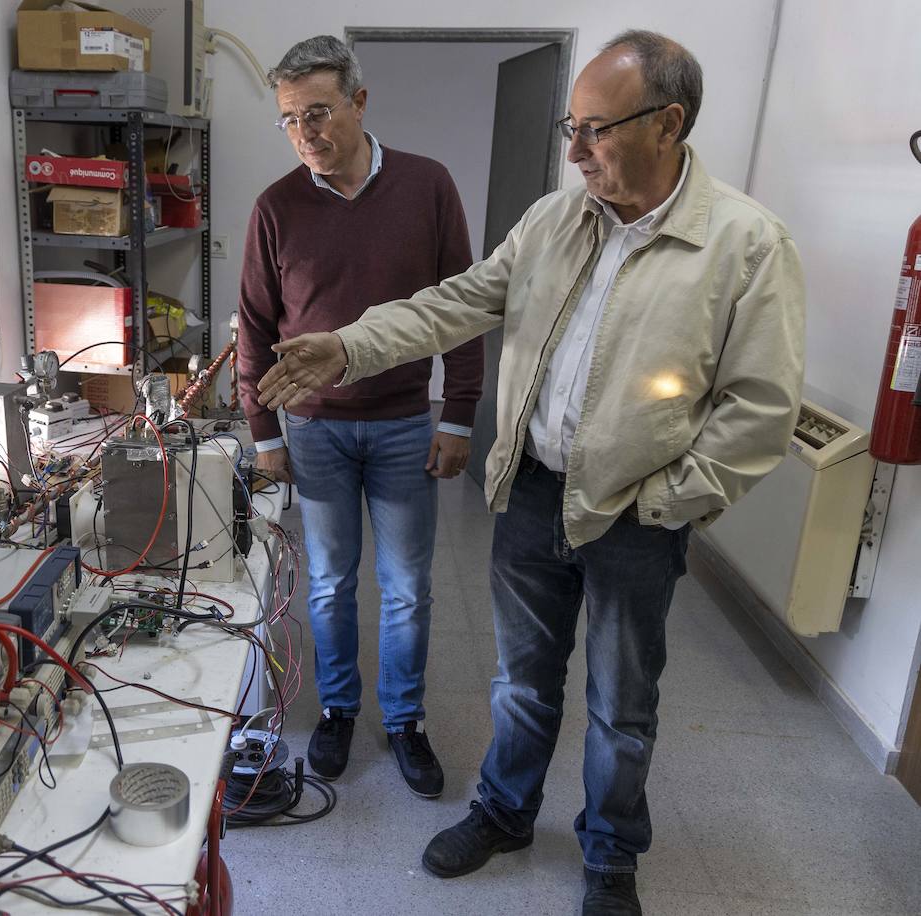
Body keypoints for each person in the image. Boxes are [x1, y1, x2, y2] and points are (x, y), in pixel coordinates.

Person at [256, 30, 805, 916]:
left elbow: (760, 408)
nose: (575, 150)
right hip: (535, 493)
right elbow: (457, 302)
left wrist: (669, 501)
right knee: (520, 682)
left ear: (668, 125)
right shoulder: (555, 218)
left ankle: (611, 856)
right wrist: (349, 346)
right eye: (569, 126)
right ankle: (505, 812)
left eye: (596, 129)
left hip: (638, 514)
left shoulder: (745, 245)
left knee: (621, 704)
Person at [236, 35, 485, 798]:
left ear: (359, 102)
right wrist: (264, 434)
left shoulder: (427, 186)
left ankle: (405, 720)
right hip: (315, 429)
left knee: (407, 585)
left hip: (406, 422)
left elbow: (464, 307)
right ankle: (339, 709)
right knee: (329, 582)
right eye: (288, 119)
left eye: (317, 112)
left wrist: (459, 416)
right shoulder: (276, 208)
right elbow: (254, 328)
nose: (304, 133)